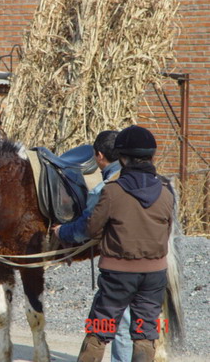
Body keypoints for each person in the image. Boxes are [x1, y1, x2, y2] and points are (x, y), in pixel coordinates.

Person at [76, 125, 174, 362]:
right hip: (154, 276)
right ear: (152, 156)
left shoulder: (113, 191)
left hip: (117, 277)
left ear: (122, 157)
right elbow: (167, 230)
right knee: (145, 332)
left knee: (99, 330)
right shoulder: (166, 191)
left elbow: (91, 229)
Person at [51, 130, 133, 362]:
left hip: (121, 268)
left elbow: (87, 229)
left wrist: (61, 232)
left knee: (110, 324)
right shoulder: (153, 181)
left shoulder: (103, 190)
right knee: (144, 324)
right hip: (154, 267)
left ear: (98, 155)